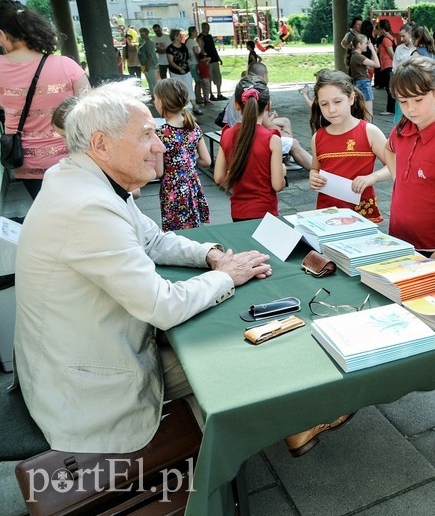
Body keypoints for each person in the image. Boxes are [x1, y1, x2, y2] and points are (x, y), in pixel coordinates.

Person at [13, 80, 274, 453]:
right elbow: (162, 306)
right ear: (101, 144)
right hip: (89, 389)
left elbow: (151, 238)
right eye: (147, 135)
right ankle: (244, 443)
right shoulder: (88, 206)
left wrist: (210, 256)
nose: (160, 145)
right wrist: (226, 276)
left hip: (75, 360)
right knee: (239, 347)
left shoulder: (83, 178)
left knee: (217, 331)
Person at [358, 57, 435, 259]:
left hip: (432, 245)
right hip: (397, 237)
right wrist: (399, 177)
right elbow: (388, 149)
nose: (410, 108)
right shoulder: (401, 129)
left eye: (418, 100)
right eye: (403, 101)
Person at [0, 0, 90, 200]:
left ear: (3, 35)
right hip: (71, 160)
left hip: (25, 163)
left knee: (49, 211)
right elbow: (91, 111)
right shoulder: (67, 66)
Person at [308, 70, 387, 223]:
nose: (331, 109)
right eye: (324, 104)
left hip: (362, 213)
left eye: (337, 102)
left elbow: (394, 166)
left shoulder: (369, 131)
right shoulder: (318, 137)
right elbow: (315, 168)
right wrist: (313, 177)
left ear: (351, 98)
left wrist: (372, 177)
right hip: (328, 214)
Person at [214, 77, 285, 221]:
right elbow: (277, 185)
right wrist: (282, 173)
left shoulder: (227, 134)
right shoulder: (272, 139)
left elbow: (219, 178)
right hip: (265, 211)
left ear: (236, 105)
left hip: (238, 211)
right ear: (268, 106)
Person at [223, 62, 312, 171]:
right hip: (250, 137)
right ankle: (320, 171)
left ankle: (287, 159)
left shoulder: (242, 90)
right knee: (293, 143)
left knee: (285, 122)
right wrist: (284, 134)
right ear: (265, 75)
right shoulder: (258, 92)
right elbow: (268, 126)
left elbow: (219, 177)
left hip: (239, 130)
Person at [153, 78, 211, 231]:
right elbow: (206, 160)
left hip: (173, 191)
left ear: (162, 102)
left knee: (176, 235)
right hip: (192, 186)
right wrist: (189, 162)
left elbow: (159, 172)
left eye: (155, 98)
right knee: (195, 229)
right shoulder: (193, 126)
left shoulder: (160, 133)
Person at [166, 28, 202, 116]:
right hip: (175, 71)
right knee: (178, 89)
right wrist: (179, 68)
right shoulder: (170, 48)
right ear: (175, 36)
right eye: (179, 35)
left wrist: (188, 58)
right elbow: (170, 61)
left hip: (186, 70)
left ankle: (194, 106)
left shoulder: (183, 45)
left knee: (189, 86)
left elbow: (186, 57)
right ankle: (180, 107)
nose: (181, 36)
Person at [348, 34, 380, 120]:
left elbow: (371, 65)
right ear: (359, 44)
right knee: (368, 113)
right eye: (366, 43)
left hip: (358, 83)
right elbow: (377, 64)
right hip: (364, 84)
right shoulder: (358, 56)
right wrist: (372, 49)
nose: (367, 45)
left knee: (362, 112)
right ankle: (368, 131)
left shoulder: (355, 56)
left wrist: (374, 52)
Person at [392, 24, 415, 123]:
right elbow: (395, 67)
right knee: (400, 109)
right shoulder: (399, 49)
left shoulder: (417, 48)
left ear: (410, 34)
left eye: (403, 36)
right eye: (400, 36)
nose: (401, 39)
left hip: (415, 83)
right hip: (402, 82)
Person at [199, 22, 225, 100]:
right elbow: (201, 49)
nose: (208, 29)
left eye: (209, 27)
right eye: (207, 27)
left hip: (214, 59)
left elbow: (213, 48)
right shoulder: (200, 37)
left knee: (218, 77)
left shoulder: (210, 36)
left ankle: (219, 93)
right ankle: (211, 94)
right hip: (208, 60)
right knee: (209, 78)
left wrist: (218, 58)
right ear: (203, 28)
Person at [376, 19, 396, 115]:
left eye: (379, 28)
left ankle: (390, 109)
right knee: (389, 87)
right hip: (388, 66)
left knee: (389, 88)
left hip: (388, 66)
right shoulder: (391, 38)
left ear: (383, 29)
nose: (378, 30)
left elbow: (392, 54)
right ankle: (391, 108)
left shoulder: (385, 39)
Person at [138, 27, 159, 98]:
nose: (141, 34)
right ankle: (153, 96)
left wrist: (147, 66)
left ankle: (159, 96)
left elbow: (150, 55)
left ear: (147, 33)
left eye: (142, 33)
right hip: (145, 65)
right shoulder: (145, 43)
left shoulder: (150, 43)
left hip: (150, 66)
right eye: (140, 33)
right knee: (150, 82)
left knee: (154, 81)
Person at [185, 26, 202, 103]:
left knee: (194, 81)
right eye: (195, 31)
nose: (196, 33)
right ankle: (198, 97)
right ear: (192, 32)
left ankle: (196, 96)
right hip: (194, 63)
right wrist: (200, 62)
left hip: (189, 62)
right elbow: (196, 53)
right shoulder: (193, 42)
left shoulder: (187, 41)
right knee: (198, 81)